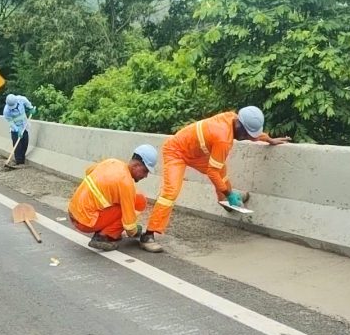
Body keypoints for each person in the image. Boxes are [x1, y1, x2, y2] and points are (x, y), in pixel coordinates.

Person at [139, 106, 291, 253]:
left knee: (222, 171)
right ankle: (148, 235)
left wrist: (269, 140)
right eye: (246, 135)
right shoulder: (223, 139)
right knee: (170, 193)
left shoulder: (233, 118)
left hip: (196, 153)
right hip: (176, 151)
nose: (247, 138)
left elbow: (252, 134)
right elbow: (212, 172)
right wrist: (230, 193)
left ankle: (224, 202)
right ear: (240, 125)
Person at [68, 144, 158, 251]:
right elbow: (129, 225)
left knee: (124, 200)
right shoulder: (126, 184)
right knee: (138, 203)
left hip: (73, 212)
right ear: (136, 165)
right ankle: (103, 237)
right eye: (145, 171)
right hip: (85, 222)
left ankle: (110, 231)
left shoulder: (112, 162)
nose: (146, 176)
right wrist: (135, 232)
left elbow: (88, 171)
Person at [3, 93, 36, 167]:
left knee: (25, 143)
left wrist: (31, 109)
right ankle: (19, 162)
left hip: (24, 125)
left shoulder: (22, 99)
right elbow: (10, 122)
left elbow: (28, 105)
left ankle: (22, 160)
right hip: (15, 128)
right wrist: (17, 130)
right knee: (17, 146)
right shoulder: (6, 111)